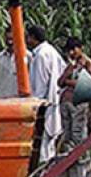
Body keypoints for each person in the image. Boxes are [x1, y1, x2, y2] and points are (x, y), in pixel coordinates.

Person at [57, 37, 91, 177]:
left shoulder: (87, 63)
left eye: (74, 49)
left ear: (81, 48)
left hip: (79, 103)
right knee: (67, 138)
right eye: (69, 50)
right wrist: (68, 74)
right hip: (66, 102)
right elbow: (60, 82)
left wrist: (69, 81)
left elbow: (87, 84)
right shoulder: (70, 66)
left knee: (78, 136)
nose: (72, 53)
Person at [27, 25, 67, 163]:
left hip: (45, 105)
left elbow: (40, 83)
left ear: (33, 37)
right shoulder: (51, 51)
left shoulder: (42, 55)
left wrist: (35, 105)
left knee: (45, 144)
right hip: (54, 101)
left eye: (28, 37)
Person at [0, 29, 33, 98]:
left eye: (12, 39)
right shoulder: (0, 57)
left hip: (19, 100)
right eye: (7, 39)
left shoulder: (27, 56)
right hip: (2, 98)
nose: (10, 42)